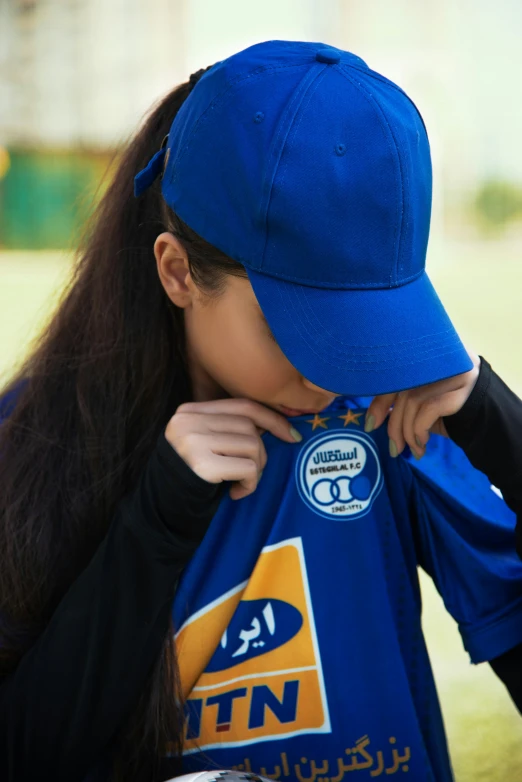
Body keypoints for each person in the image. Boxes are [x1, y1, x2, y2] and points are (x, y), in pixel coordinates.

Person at [0, 39, 521, 782]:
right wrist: (152, 527)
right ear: (177, 271)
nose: (342, 365)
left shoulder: (390, 415)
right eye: (301, 324)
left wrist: (504, 434)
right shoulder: (30, 441)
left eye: (368, 320)